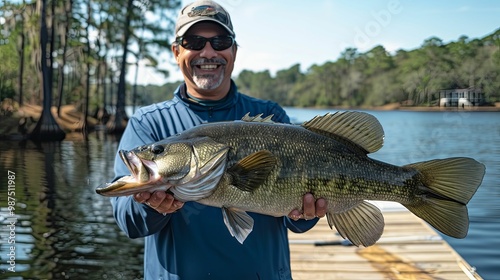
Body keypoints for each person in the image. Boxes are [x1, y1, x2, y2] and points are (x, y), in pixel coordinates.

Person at [111, 1, 327, 279]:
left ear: (234, 51)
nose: (208, 52)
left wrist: (306, 215)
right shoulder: (149, 123)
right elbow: (129, 223)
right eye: (194, 42)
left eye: (220, 41)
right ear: (176, 51)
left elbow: (295, 221)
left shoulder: (270, 116)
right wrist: (150, 207)